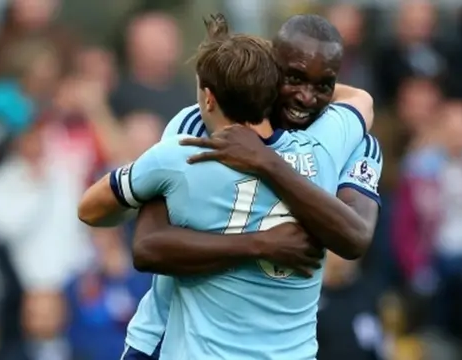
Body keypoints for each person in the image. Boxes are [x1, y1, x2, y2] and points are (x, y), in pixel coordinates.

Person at [78, 13, 381, 359]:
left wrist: (267, 163)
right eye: (293, 78)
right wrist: (260, 244)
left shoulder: (351, 141)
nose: (306, 97)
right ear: (273, 70)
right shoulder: (194, 128)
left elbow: (355, 237)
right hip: (165, 338)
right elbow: (148, 246)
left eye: (323, 85)